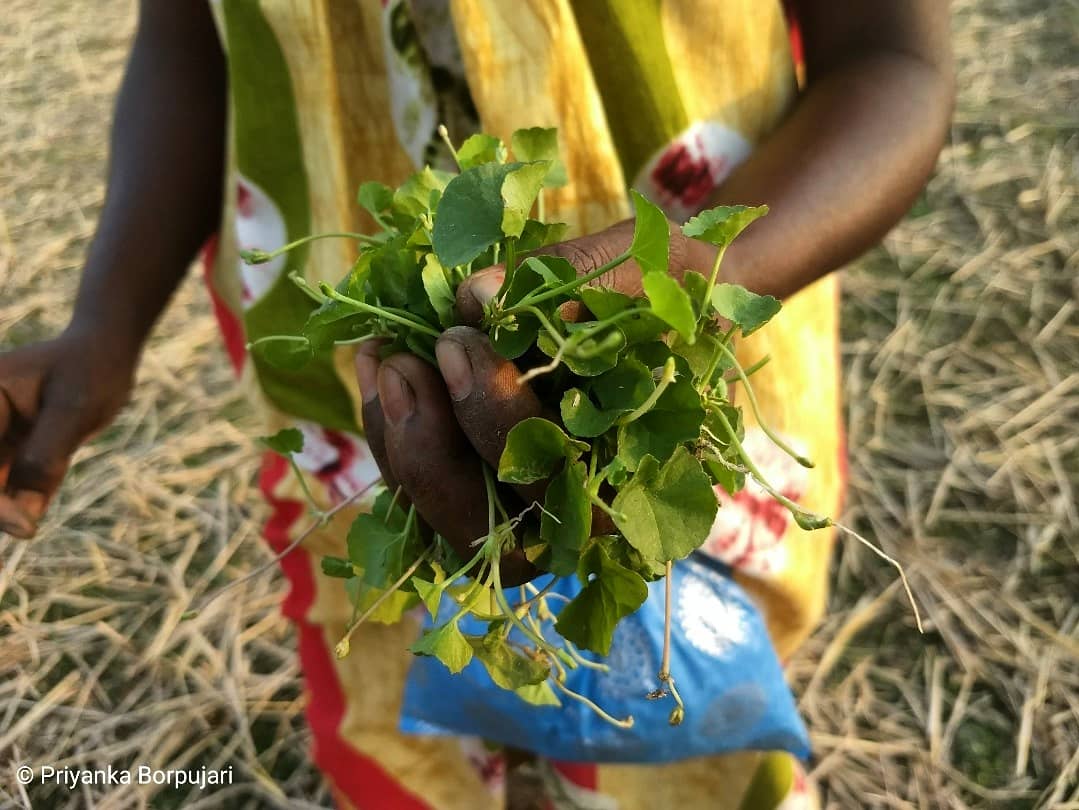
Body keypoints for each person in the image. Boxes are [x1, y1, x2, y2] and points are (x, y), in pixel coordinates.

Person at [0, 1, 953, 807]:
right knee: (407, 698)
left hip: (688, 352)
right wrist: (104, 323)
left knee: (677, 709)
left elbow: (889, 56)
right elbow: (188, 32)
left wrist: (701, 266)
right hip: (363, 401)